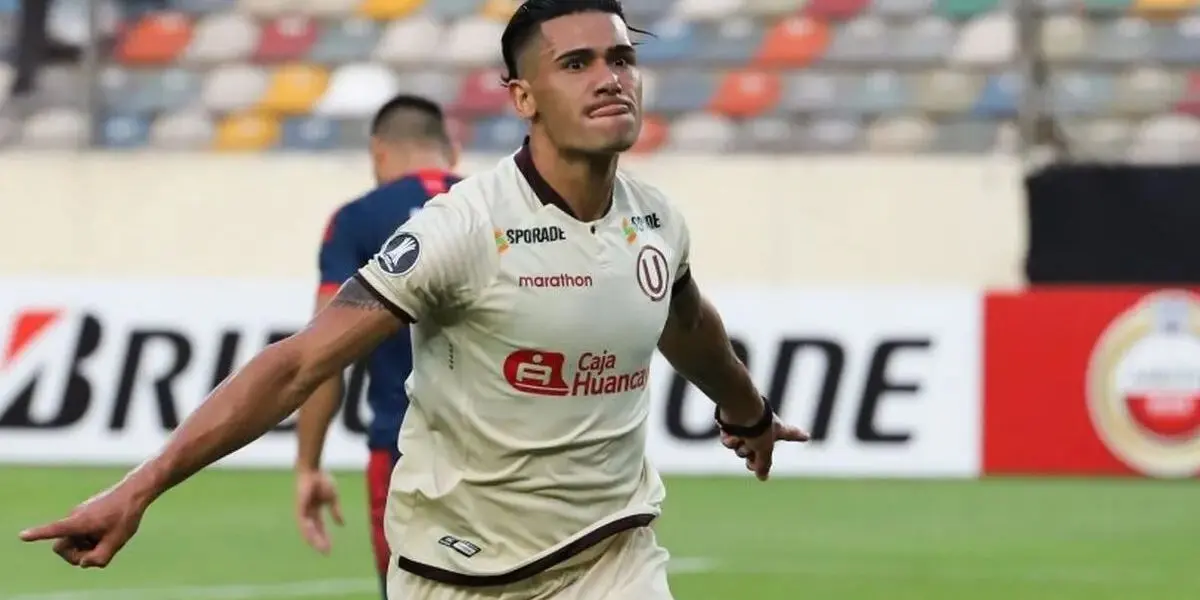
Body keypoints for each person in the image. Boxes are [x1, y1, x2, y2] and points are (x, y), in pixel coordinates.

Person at [17, 1, 809, 598]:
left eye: (621, 58)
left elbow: (686, 323)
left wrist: (748, 413)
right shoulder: (461, 229)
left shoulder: (656, 219)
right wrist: (140, 486)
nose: (610, 78)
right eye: (576, 64)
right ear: (523, 97)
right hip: (456, 574)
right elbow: (298, 364)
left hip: (612, 557)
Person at [294, 94, 461, 598]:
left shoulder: (357, 220)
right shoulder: (502, 209)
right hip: (508, 454)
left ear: (379, 152)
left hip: (403, 451)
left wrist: (308, 465)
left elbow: (322, 354)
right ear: (450, 152)